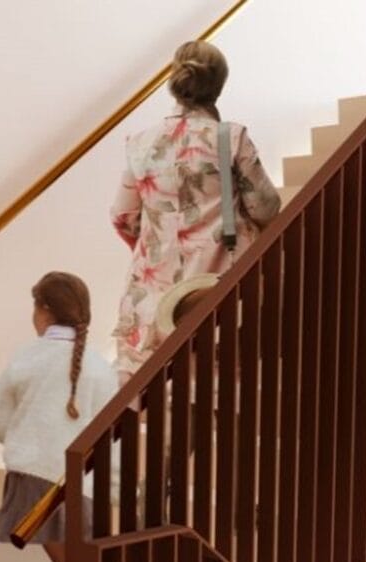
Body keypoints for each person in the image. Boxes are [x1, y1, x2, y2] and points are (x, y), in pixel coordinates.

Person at [111, 40, 281, 382]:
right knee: (217, 382)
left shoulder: (141, 142)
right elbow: (266, 207)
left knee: (151, 387)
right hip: (217, 281)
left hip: (152, 290)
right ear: (218, 84)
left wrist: (158, 242)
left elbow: (123, 215)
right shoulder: (229, 138)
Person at [0, 273, 118, 562]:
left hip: (28, 480)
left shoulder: (24, 358)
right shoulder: (100, 368)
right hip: (73, 484)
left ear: (43, 310)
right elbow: (110, 439)